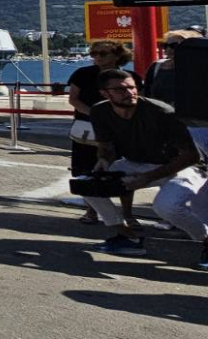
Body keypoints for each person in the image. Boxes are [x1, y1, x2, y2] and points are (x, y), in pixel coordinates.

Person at [82, 70, 208, 268]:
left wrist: (147, 178)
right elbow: (106, 147)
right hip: (136, 163)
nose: (129, 93)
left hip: (183, 167)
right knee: (89, 187)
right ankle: (128, 237)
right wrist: (103, 163)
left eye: (132, 87)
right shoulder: (100, 111)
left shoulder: (161, 112)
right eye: (120, 89)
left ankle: (206, 240)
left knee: (166, 207)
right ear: (105, 93)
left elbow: (192, 156)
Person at [68, 40, 143, 226]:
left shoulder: (129, 76)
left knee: (123, 171)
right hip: (87, 130)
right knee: (87, 170)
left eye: (103, 54)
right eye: (94, 54)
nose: (97, 57)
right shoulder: (82, 74)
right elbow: (74, 99)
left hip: (119, 130)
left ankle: (128, 214)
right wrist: (94, 115)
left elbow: (136, 101)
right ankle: (91, 211)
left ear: (117, 55)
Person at [144, 29, 202, 103]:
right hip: (159, 109)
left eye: (174, 45)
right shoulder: (156, 66)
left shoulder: (200, 68)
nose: (168, 49)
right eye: (165, 46)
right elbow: (147, 92)